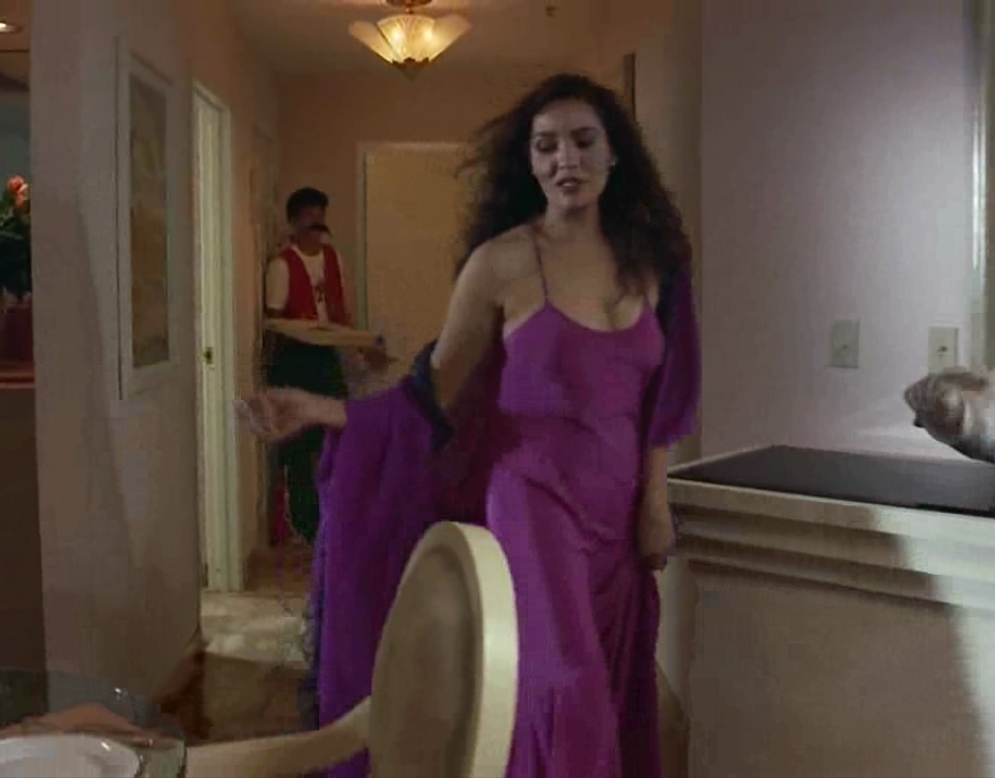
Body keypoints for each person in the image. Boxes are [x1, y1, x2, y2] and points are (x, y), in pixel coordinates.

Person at [239, 73, 699, 778]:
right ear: (529, 162)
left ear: (615, 153)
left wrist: (656, 501)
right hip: (533, 506)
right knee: (566, 690)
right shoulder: (500, 263)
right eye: (546, 146)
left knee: (608, 694)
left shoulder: (656, 261)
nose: (566, 160)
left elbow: (668, 395)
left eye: (583, 141)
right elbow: (431, 394)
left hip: (618, 517)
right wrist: (323, 409)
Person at [262, 187, 352, 546]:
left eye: (320, 216)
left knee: (337, 432)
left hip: (326, 355)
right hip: (297, 357)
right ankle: (304, 522)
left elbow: (340, 311)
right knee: (300, 444)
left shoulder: (332, 259)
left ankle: (335, 515)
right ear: (294, 221)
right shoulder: (282, 265)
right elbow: (273, 320)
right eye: (309, 217)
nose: (317, 224)